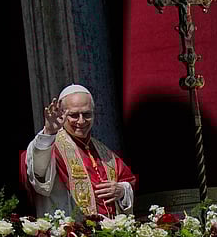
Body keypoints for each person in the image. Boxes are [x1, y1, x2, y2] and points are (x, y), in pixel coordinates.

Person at [22, 84, 136, 218]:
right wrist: (49, 132)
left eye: (86, 114)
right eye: (74, 115)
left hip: (108, 232)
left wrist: (121, 190)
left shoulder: (103, 152)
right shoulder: (48, 144)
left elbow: (128, 181)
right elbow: (38, 174)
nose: (81, 121)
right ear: (62, 115)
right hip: (69, 230)